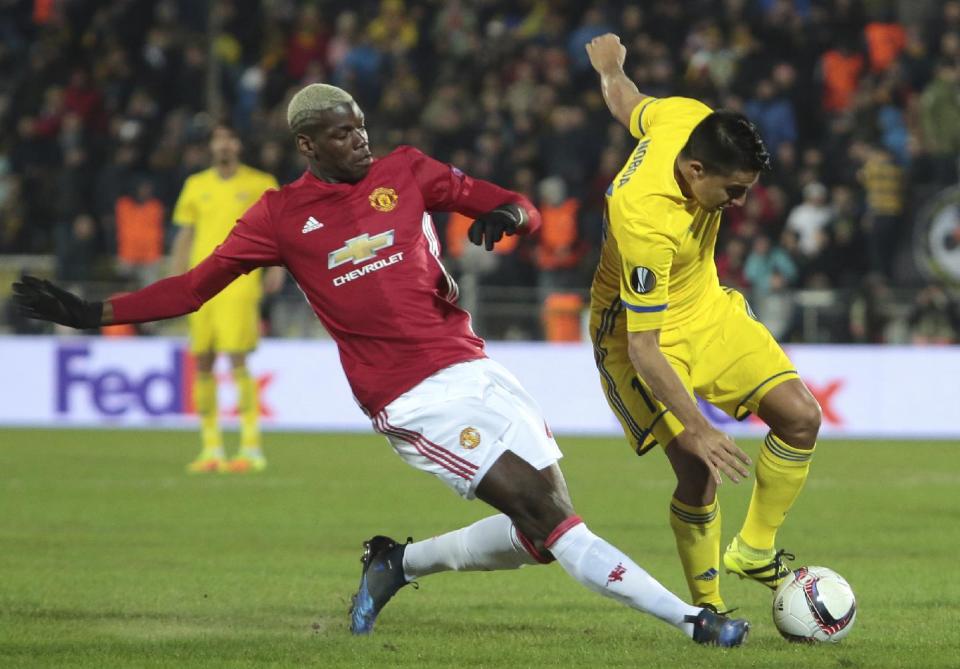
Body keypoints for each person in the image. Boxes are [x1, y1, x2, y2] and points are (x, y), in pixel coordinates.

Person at [13, 83, 751, 647]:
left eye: (361, 125)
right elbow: (194, 286)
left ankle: (397, 562)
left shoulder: (408, 169)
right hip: (410, 397)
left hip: (476, 368)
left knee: (535, 535)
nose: (360, 141)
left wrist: (506, 217)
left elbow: (515, 202)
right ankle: (694, 621)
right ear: (309, 145)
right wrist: (95, 313)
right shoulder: (278, 217)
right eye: (342, 134)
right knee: (552, 517)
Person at [585, 34, 823, 612]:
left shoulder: (687, 117)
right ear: (694, 170)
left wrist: (612, 67)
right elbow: (644, 348)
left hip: (707, 307)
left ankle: (756, 551)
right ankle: (709, 608)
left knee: (801, 417)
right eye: (733, 190)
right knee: (697, 470)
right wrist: (701, 427)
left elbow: (628, 103)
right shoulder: (645, 218)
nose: (740, 203)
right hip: (642, 333)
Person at [168, 122, 284, 474]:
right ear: (211, 147)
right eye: (218, 139)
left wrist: (277, 267)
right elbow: (185, 235)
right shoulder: (195, 184)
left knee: (236, 358)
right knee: (202, 359)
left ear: (238, 145)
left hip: (239, 283)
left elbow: (279, 231)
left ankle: (250, 447)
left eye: (230, 138)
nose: (224, 145)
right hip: (200, 285)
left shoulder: (261, 183)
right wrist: (176, 280)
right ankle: (211, 448)